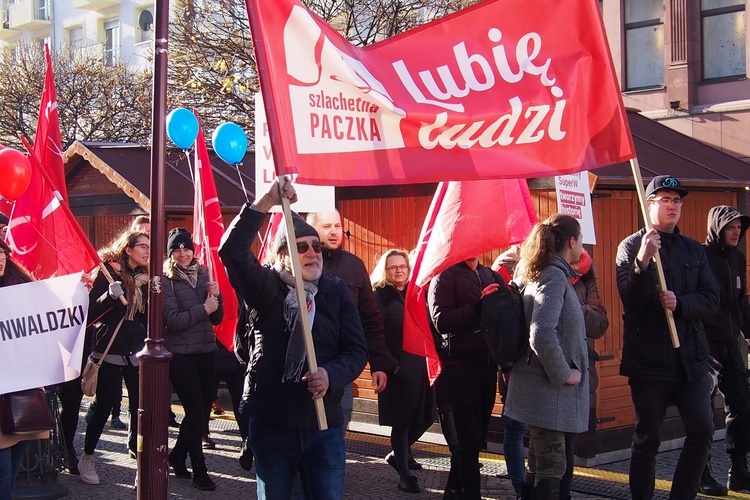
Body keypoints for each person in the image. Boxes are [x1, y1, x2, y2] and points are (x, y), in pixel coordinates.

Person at [219, 178, 368, 498]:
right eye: (302, 246)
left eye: (317, 246)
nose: (313, 252)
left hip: (323, 426)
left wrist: (331, 374)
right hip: (273, 424)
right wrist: (264, 203)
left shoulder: (335, 291)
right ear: (283, 254)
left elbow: (356, 350)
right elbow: (231, 251)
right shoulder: (265, 287)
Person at [615, 175, 719, 500]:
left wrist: (682, 303)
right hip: (648, 361)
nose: (672, 206)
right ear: (650, 205)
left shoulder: (693, 249)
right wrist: (643, 260)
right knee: (648, 439)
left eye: (676, 201)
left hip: (690, 360)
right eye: (665, 200)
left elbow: (711, 297)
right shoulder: (631, 246)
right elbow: (629, 299)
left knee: (702, 431)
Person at [503, 214, 589, 500]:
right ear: (572, 241)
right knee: (552, 467)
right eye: (581, 239)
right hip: (549, 392)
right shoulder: (553, 275)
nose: (583, 247)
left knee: (540, 465)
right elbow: (540, 333)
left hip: (547, 393)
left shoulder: (549, 272)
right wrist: (564, 373)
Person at [307, 211, 398, 428]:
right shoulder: (303, 263)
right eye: (327, 226)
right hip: (305, 365)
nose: (334, 231)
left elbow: (369, 318)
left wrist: (379, 363)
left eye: (338, 226)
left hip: (341, 366)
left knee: (338, 426)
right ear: (313, 230)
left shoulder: (354, 266)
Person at [79, 229, 150, 486]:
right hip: (109, 348)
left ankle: (143, 463)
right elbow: (90, 314)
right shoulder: (107, 272)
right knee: (106, 403)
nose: (146, 250)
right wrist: (109, 295)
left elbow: (147, 317)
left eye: (148, 246)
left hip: (137, 350)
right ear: (128, 249)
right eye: (141, 246)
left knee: (142, 407)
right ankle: (87, 456)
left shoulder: (145, 278)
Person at [428, 257, 501, 499]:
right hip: (460, 365)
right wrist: (479, 306)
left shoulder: (490, 274)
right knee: (469, 438)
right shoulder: (445, 276)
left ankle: (452, 489)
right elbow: (442, 321)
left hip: (488, 365)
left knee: (477, 437)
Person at [162, 227, 223, 491]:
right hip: (182, 355)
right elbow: (172, 321)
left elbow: (216, 319)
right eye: (177, 249)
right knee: (196, 412)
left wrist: (216, 297)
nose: (183, 253)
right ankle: (200, 469)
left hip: (206, 352)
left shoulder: (204, 275)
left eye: (186, 248)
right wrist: (204, 308)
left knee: (199, 412)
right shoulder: (166, 280)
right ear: (170, 254)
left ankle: (176, 455)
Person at [372, 249, 434, 494]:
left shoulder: (415, 293)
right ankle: (404, 476)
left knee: (427, 415)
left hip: (419, 365)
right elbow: (375, 334)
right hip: (396, 367)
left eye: (402, 266)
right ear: (385, 271)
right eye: (392, 267)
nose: (398, 270)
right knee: (402, 420)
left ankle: (399, 453)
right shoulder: (380, 296)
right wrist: (390, 364)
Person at [702, 205, 750, 494]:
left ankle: (738, 468)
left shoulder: (738, 257)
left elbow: (740, 302)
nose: (736, 232)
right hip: (707, 344)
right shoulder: (701, 256)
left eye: (739, 228)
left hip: (732, 344)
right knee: (703, 411)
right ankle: (701, 470)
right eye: (731, 226)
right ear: (717, 228)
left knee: (742, 407)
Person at [0, 239, 51, 500]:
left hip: (23, 392)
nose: (0, 259)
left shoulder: (22, 286)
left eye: (1, 252)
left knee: (11, 471)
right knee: (3, 475)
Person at [561, 248, 609, 500]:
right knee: (548, 449)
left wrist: (576, 308)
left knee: (569, 442)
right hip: (551, 368)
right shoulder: (548, 273)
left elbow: (600, 323)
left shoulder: (587, 275)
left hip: (581, 369)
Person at [492, 245, 527, 498]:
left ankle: (528, 481)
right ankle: (520, 483)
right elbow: (501, 326)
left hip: (533, 365)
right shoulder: (502, 270)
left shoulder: (574, 275)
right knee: (514, 425)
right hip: (513, 365)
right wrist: (505, 366)